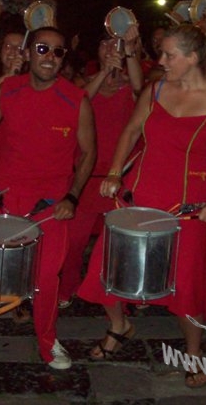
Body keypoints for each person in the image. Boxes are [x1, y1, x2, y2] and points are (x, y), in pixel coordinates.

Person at [78, 23, 206, 388]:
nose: (161, 61)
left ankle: (193, 352)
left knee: (185, 288)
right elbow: (131, 130)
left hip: (188, 208)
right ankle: (119, 326)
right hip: (140, 197)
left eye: (170, 55)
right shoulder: (156, 90)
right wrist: (114, 171)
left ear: (193, 57)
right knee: (104, 271)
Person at [0, 25, 97, 370]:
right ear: (28, 52)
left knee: (45, 278)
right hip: (2, 195)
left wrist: (72, 196)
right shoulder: (8, 89)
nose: (50, 57)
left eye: (58, 52)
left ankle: (47, 342)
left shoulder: (76, 100)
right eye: (43, 49)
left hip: (49, 205)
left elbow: (88, 153)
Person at [58, 24, 142, 308]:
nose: (109, 49)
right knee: (74, 241)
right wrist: (104, 73)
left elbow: (140, 89)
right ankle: (67, 288)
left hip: (120, 176)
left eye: (115, 43)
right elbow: (75, 104)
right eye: (105, 43)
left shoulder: (131, 86)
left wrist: (130, 54)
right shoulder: (83, 83)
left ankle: (122, 295)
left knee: (119, 243)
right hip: (87, 176)